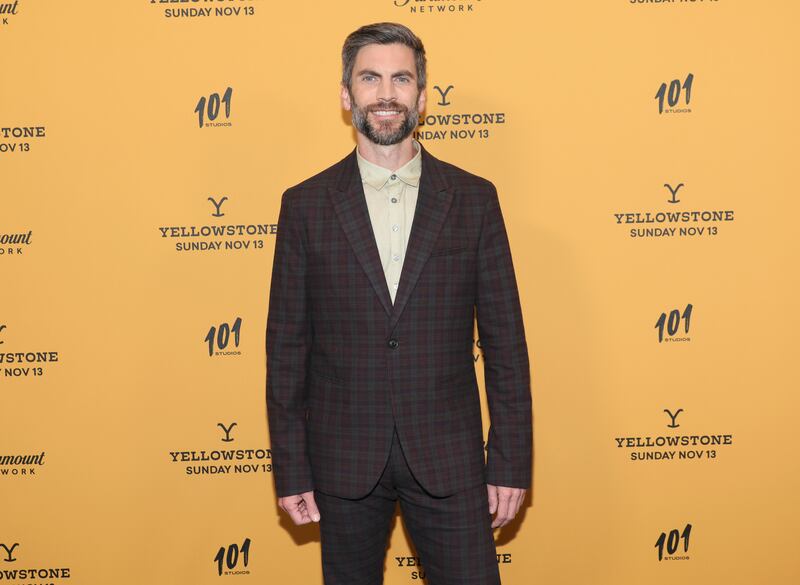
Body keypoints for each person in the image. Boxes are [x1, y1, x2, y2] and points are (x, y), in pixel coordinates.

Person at [266, 22, 532, 585]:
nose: (385, 93)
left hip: (451, 456)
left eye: (400, 79)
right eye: (370, 78)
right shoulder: (305, 206)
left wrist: (509, 459)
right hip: (342, 460)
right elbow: (287, 350)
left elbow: (506, 344)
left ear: (422, 95)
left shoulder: (474, 199)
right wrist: (291, 468)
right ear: (347, 94)